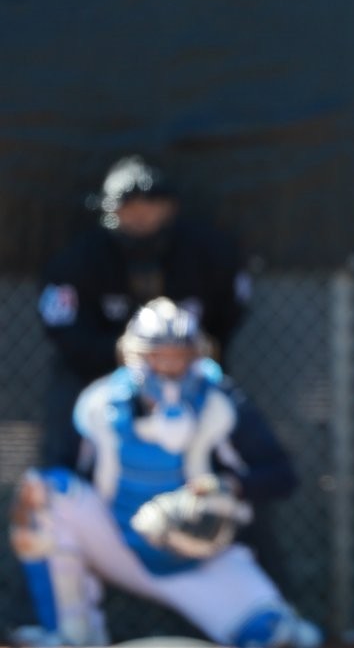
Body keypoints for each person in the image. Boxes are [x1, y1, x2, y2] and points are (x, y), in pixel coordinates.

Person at [9, 298, 321, 647]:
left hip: (197, 553)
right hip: (119, 539)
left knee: (282, 638)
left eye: (179, 357)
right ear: (134, 356)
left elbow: (282, 475)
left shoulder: (222, 403)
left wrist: (226, 488)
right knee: (42, 493)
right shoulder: (100, 404)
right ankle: (70, 634)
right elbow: (66, 471)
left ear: (196, 355)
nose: (170, 368)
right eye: (159, 357)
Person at [37, 154, 250, 470]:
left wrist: (178, 360)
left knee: (233, 422)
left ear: (171, 208)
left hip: (188, 373)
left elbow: (229, 314)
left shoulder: (208, 253)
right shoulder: (79, 259)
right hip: (96, 375)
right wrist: (131, 359)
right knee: (64, 434)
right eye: (129, 207)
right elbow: (64, 329)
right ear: (109, 211)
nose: (141, 216)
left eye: (151, 205)